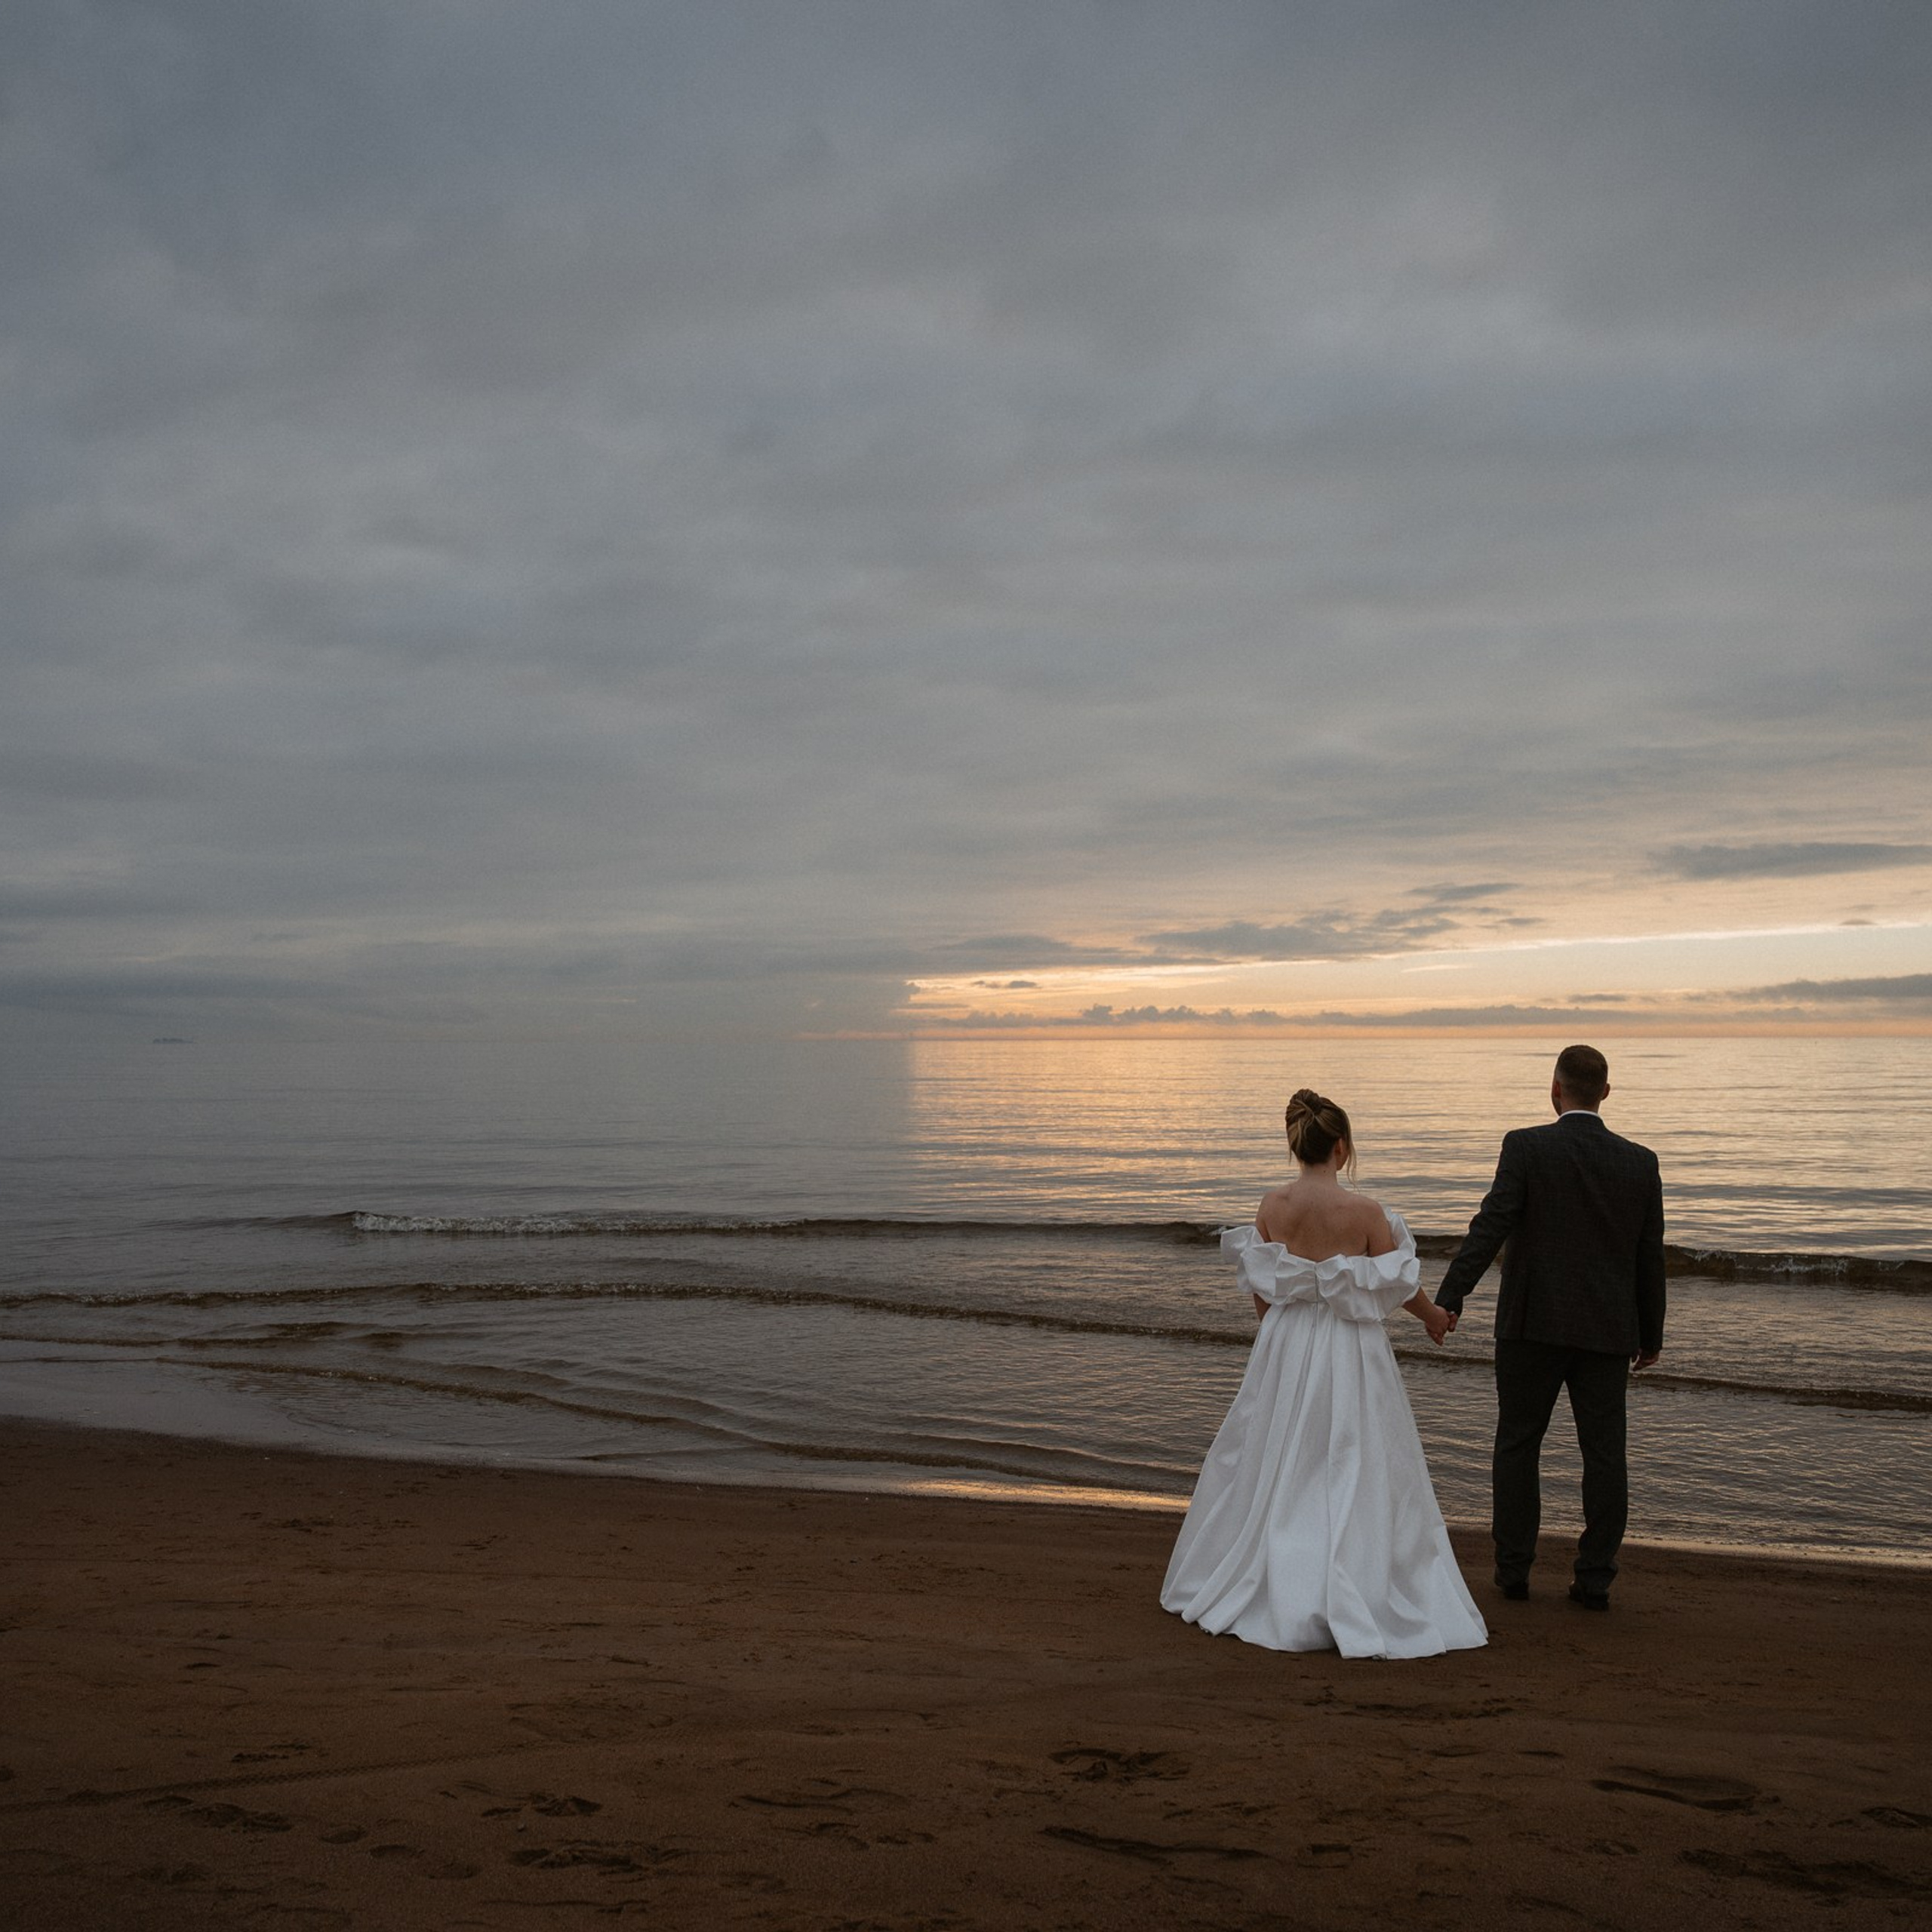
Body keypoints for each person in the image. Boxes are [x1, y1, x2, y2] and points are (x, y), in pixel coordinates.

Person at [1161, 1090, 1487, 1659]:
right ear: (1342, 1147)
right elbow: (1396, 1285)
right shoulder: (1365, 1214)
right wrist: (1435, 1317)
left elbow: (1264, 1291)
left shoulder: (1273, 1205)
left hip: (1286, 1341)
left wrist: (1276, 1336)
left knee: (1279, 1453)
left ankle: (1273, 1565)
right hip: (1348, 1345)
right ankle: (1352, 1570)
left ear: (1298, 1146)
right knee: (1352, 1456)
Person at [1434, 1044, 1666, 1612]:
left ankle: (1513, 1571)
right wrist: (1651, 1333)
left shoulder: (1527, 1146)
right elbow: (1648, 1257)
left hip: (1530, 1324)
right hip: (1608, 1331)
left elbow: (1490, 1225)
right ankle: (1595, 1580)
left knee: (1517, 1446)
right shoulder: (1640, 1161)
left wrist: (1450, 1296)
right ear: (1605, 1093)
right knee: (1605, 1456)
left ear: (1555, 1089)